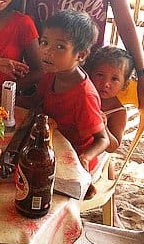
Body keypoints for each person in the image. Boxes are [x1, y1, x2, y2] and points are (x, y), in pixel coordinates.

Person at [23, 10, 109, 178]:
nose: (48, 51)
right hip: (51, 145)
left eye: (60, 47)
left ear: (81, 55)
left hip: (75, 158)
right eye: (44, 42)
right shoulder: (52, 73)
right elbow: (34, 101)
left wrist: (85, 157)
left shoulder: (84, 95)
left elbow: (103, 139)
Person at [85, 46, 135, 155]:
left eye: (114, 79)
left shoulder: (118, 112)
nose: (105, 84)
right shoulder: (83, 96)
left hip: (95, 155)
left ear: (124, 85)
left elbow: (113, 147)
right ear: (90, 73)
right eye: (100, 75)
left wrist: (103, 126)